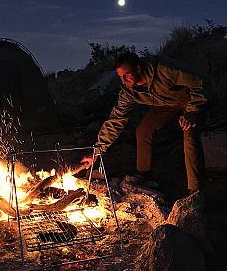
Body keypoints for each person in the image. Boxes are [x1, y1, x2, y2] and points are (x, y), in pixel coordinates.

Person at [81, 52, 208, 195]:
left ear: (138, 69)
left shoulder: (163, 69)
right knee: (143, 130)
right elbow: (116, 119)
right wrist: (96, 151)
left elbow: (199, 81)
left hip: (189, 99)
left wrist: (192, 110)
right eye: (120, 77)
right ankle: (144, 175)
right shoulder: (128, 91)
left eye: (126, 75)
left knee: (190, 136)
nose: (123, 81)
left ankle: (195, 191)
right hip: (165, 104)